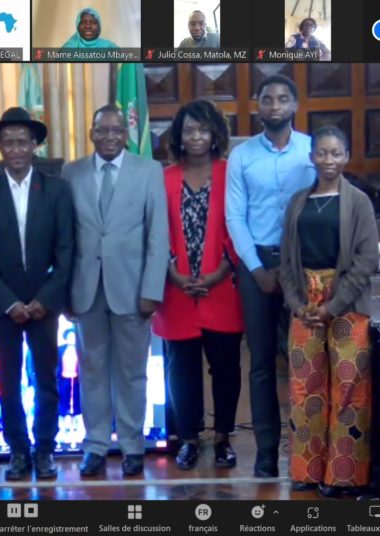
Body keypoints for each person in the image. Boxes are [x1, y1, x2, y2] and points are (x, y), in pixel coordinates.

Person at [63, 104, 169, 477]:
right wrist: (65, 291)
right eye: (102, 130)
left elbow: (158, 234)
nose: (109, 136)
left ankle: (132, 445)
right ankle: (94, 445)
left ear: (126, 134)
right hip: (86, 288)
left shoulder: (148, 171)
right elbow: (67, 236)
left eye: (116, 130)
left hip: (133, 288)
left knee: (132, 372)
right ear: (91, 134)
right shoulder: (71, 172)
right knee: (91, 369)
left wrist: (152, 288)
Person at [0, 107, 74, 481]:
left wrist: (44, 299)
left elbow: (67, 251)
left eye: (21, 142)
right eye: (8, 142)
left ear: (35, 146)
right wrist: (9, 302)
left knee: (47, 380)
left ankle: (44, 449)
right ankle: (18, 450)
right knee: (8, 380)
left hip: (45, 305)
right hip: (4, 307)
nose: (15, 149)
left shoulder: (57, 190)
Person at [279, 126, 378, 497]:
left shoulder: (358, 202)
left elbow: (367, 259)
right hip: (305, 305)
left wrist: (333, 306)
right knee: (306, 387)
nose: (329, 160)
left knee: (349, 388)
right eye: (322, 153)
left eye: (336, 153)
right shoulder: (298, 202)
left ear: (346, 156)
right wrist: (296, 303)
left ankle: (343, 475)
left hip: (347, 305)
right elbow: (286, 260)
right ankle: (307, 469)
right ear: (311, 157)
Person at [226, 74, 317, 478]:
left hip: (304, 265)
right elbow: (235, 217)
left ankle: (307, 450)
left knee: (306, 360)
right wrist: (257, 269)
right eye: (267, 99)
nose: (275, 105)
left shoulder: (313, 151)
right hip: (256, 264)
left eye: (282, 99)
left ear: (294, 105)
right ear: (258, 106)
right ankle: (266, 452)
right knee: (261, 362)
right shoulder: (242, 156)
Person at [152, 100, 243, 471]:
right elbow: (154, 230)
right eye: (188, 129)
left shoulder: (230, 173)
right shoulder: (164, 177)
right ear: (178, 135)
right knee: (181, 369)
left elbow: (240, 222)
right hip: (175, 289)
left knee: (226, 367)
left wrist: (221, 271)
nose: (196, 137)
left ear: (216, 134)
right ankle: (188, 438)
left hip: (222, 287)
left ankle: (222, 438)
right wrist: (171, 272)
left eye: (203, 129)